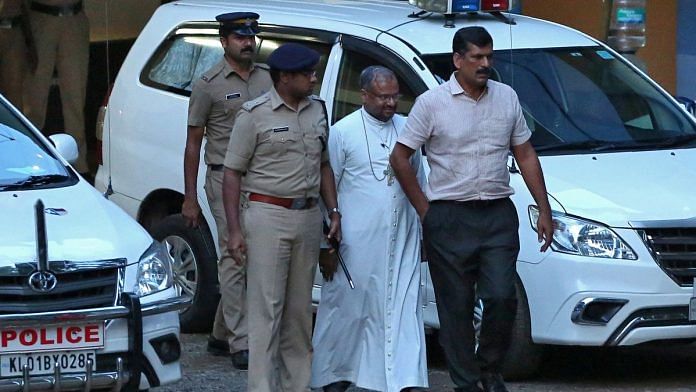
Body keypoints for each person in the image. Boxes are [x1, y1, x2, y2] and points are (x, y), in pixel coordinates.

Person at [389, 26, 554, 392]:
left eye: (489, 57)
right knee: (456, 307)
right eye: (477, 57)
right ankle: (466, 382)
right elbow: (400, 157)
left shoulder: (506, 97)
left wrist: (545, 208)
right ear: (457, 60)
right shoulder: (432, 103)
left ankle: (489, 369)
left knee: (500, 296)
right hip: (449, 216)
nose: (485, 64)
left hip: (496, 213)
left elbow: (524, 152)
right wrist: (425, 210)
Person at [222, 42, 341, 392]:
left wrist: (333, 211)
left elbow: (323, 166)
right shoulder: (254, 115)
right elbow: (232, 173)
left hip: (306, 217)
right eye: (307, 74)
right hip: (267, 214)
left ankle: (297, 386)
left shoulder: (317, 109)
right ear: (285, 78)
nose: (314, 78)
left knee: (300, 315)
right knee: (266, 312)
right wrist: (233, 230)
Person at [311, 66, 427, 392]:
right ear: (364, 95)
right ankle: (335, 376)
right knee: (348, 312)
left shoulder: (408, 130)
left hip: (401, 238)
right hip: (355, 244)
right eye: (383, 97)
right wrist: (328, 244)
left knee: (400, 310)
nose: (391, 103)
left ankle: (404, 379)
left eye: (395, 96)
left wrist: (424, 231)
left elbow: (419, 181)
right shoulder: (343, 132)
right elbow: (326, 183)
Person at [183, 12, 272, 370]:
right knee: (234, 254)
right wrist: (190, 197)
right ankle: (241, 341)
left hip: (260, 177)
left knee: (250, 254)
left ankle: (221, 333)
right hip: (223, 179)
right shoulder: (208, 84)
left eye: (251, 35)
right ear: (224, 42)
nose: (247, 42)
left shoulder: (268, 77)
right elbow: (193, 143)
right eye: (240, 37)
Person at [23, 0, 89, 175]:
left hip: (74, 16)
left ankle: (79, 164)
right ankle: (30, 160)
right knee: (34, 98)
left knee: (76, 96)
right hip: (41, 15)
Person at [0, 0, 35, 108]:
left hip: (13, 29)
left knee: (14, 91)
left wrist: (30, 42)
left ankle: (13, 124)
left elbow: (25, 7)